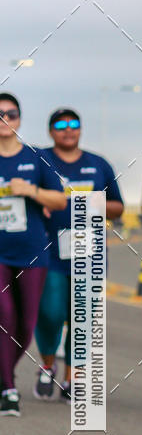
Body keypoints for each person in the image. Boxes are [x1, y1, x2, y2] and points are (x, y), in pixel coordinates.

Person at [33, 108, 124, 403]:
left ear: (81, 129)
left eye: (74, 125)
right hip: (49, 253)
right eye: (61, 125)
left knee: (81, 319)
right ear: (51, 131)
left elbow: (118, 207)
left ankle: (72, 380)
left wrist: (87, 201)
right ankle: (47, 365)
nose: (68, 130)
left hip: (90, 254)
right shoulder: (40, 160)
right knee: (51, 313)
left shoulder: (98, 164)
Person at [0, 93, 67, 417]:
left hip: (31, 252)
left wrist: (30, 191)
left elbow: (59, 201)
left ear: (19, 118)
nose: (5, 119)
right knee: (4, 316)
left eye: (11, 114)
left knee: (26, 324)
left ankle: (3, 375)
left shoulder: (36, 157)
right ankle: (8, 387)